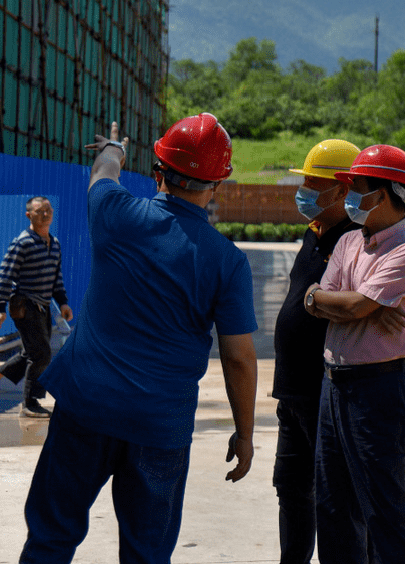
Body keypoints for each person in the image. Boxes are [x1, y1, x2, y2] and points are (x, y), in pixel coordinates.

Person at [19, 115, 259, 563]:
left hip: (85, 410)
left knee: (50, 538)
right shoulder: (228, 262)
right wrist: (244, 435)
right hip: (159, 427)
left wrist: (114, 148)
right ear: (217, 187)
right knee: (147, 554)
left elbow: (102, 173)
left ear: (158, 172)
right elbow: (240, 358)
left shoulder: (116, 213)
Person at [304, 144, 405, 564]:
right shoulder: (348, 244)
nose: (352, 197)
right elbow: (325, 298)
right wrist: (329, 301)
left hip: (379, 390)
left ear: (387, 193)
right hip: (335, 387)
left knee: (384, 508)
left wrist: (344, 304)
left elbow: (351, 306)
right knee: (334, 506)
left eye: (359, 188)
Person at [272, 138, 361, 564]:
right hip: (291, 392)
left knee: (334, 497)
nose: (303, 190)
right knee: (290, 488)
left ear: (343, 190)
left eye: (313, 182)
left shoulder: (357, 243)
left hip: (325, 393)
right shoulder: (315, 233)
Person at [0, 196, 74, 417]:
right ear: (29, 215)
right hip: (24, 305)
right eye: (40, 211)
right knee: (41, 354)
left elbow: (55, 278)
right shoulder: (22, 243)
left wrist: (63, 303)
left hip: (42, 306)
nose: (46, 214)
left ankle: (2, 373)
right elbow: (6, 275)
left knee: (30, 353)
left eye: (48, 210)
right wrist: (1, 307)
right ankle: (30, 404)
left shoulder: (55, 243)